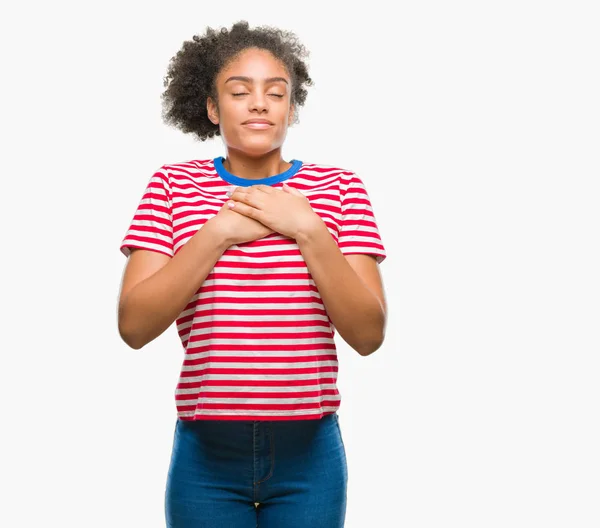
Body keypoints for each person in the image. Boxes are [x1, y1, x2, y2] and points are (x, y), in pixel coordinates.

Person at [117, 20, 388, 528]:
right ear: (213, 108)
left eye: (276, 92)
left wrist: (309, 231)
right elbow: (134, 326)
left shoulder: (340, 189)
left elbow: (369, 334)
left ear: (291, 106)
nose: (259, 103)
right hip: (206, 455)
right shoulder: (172, 187)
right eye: (239, 92)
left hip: (311, 454)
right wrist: (215, 233)